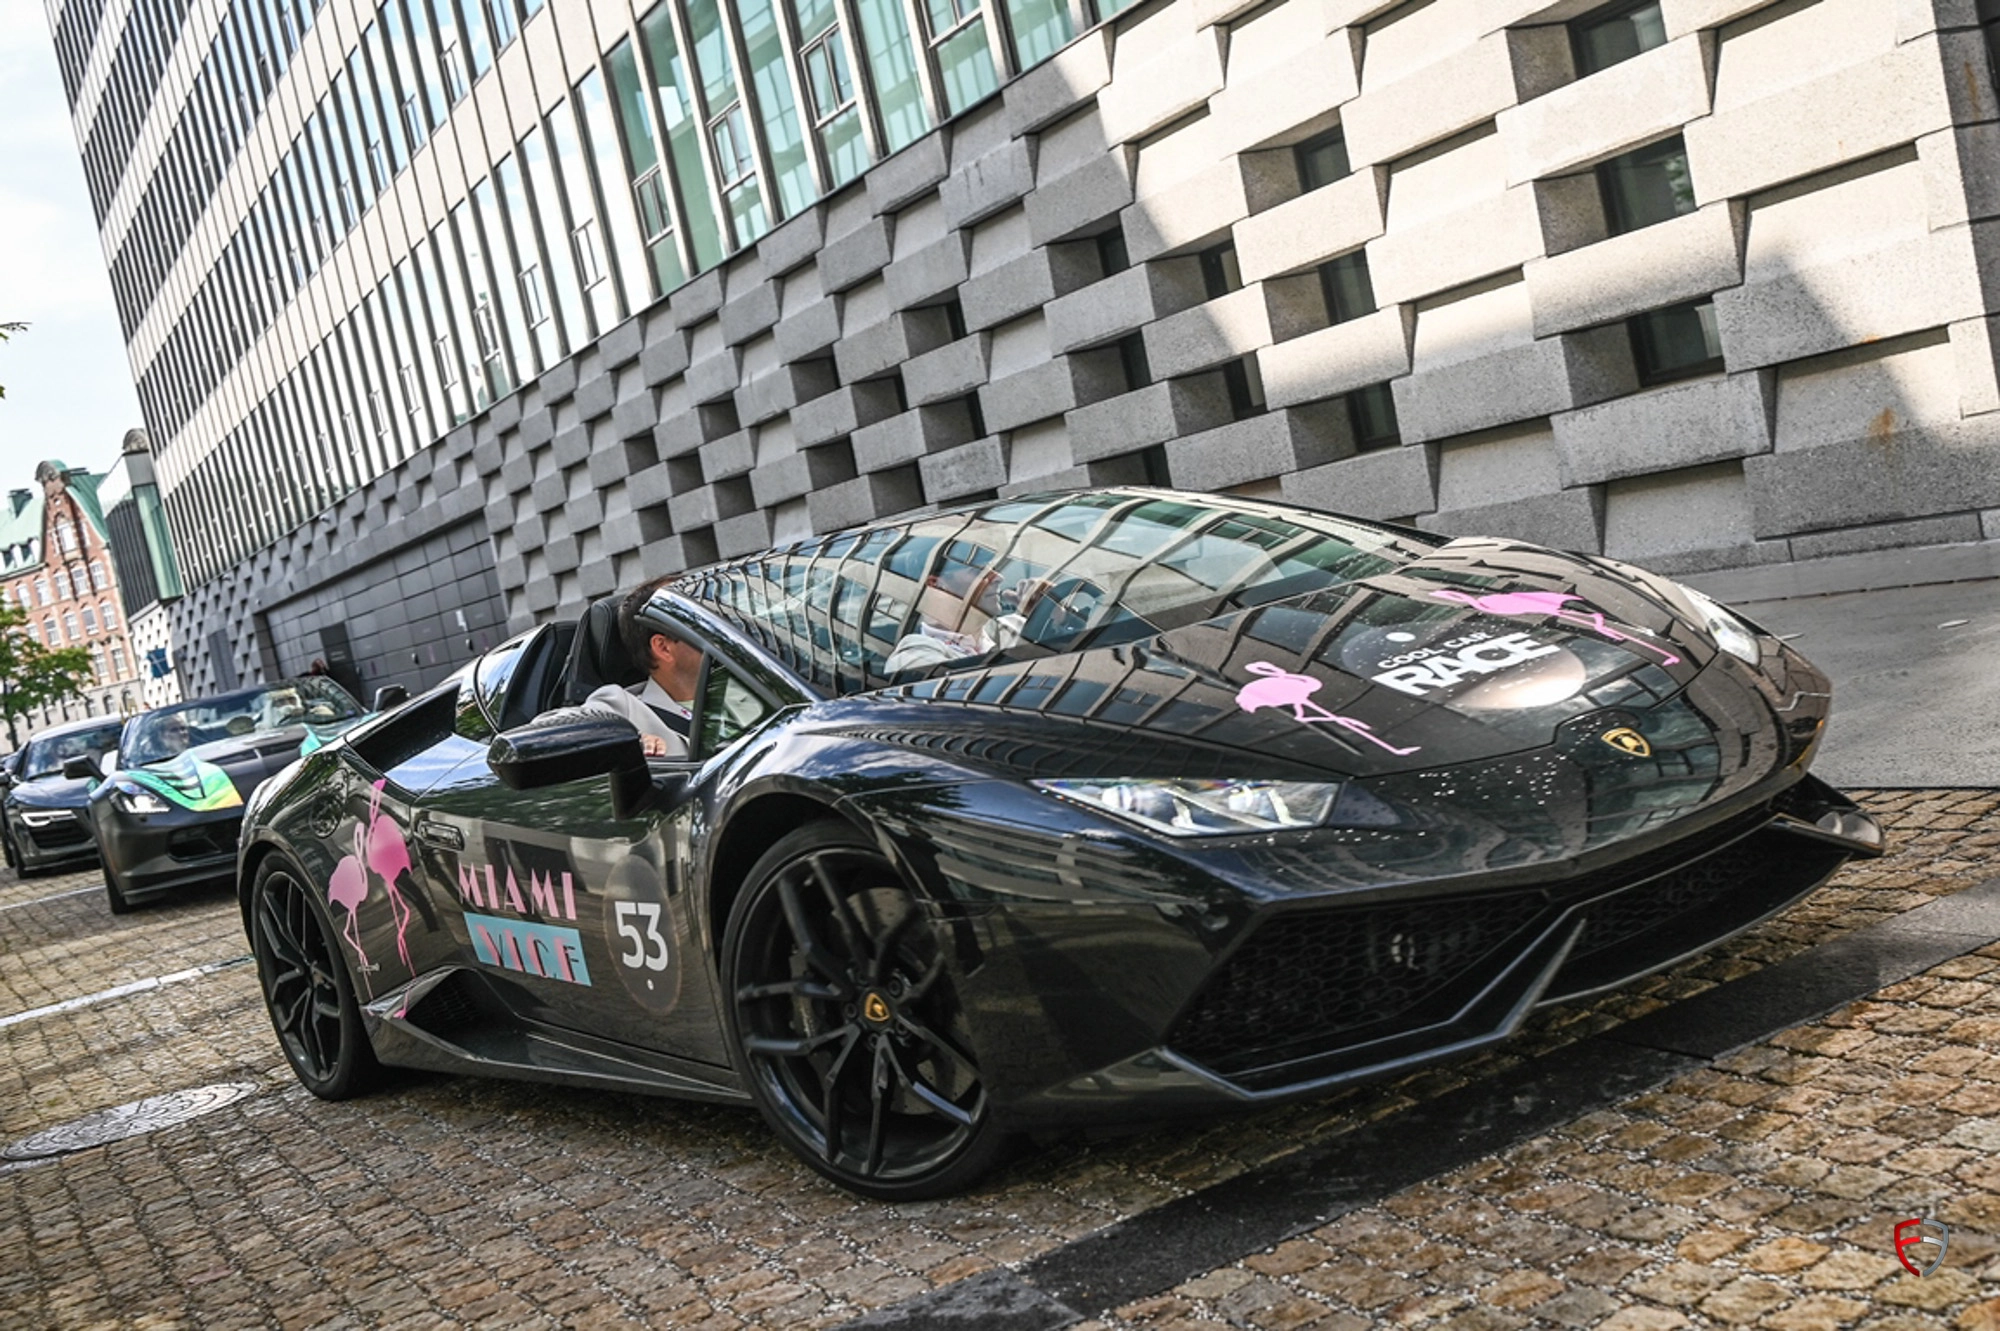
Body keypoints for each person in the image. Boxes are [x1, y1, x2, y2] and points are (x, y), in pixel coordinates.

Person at [581, 580, 701, 759]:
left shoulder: (743, 683)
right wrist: (622, 739)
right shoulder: (624, 706)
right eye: (700, 624)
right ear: (664, 648)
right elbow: (557, 729)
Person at [882, 560, 1039, 674]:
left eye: (993, 568)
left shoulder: (1017, 626)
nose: (998, 577)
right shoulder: (911, 660)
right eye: (979, 571)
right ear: (935, 585)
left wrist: (1048, 616)